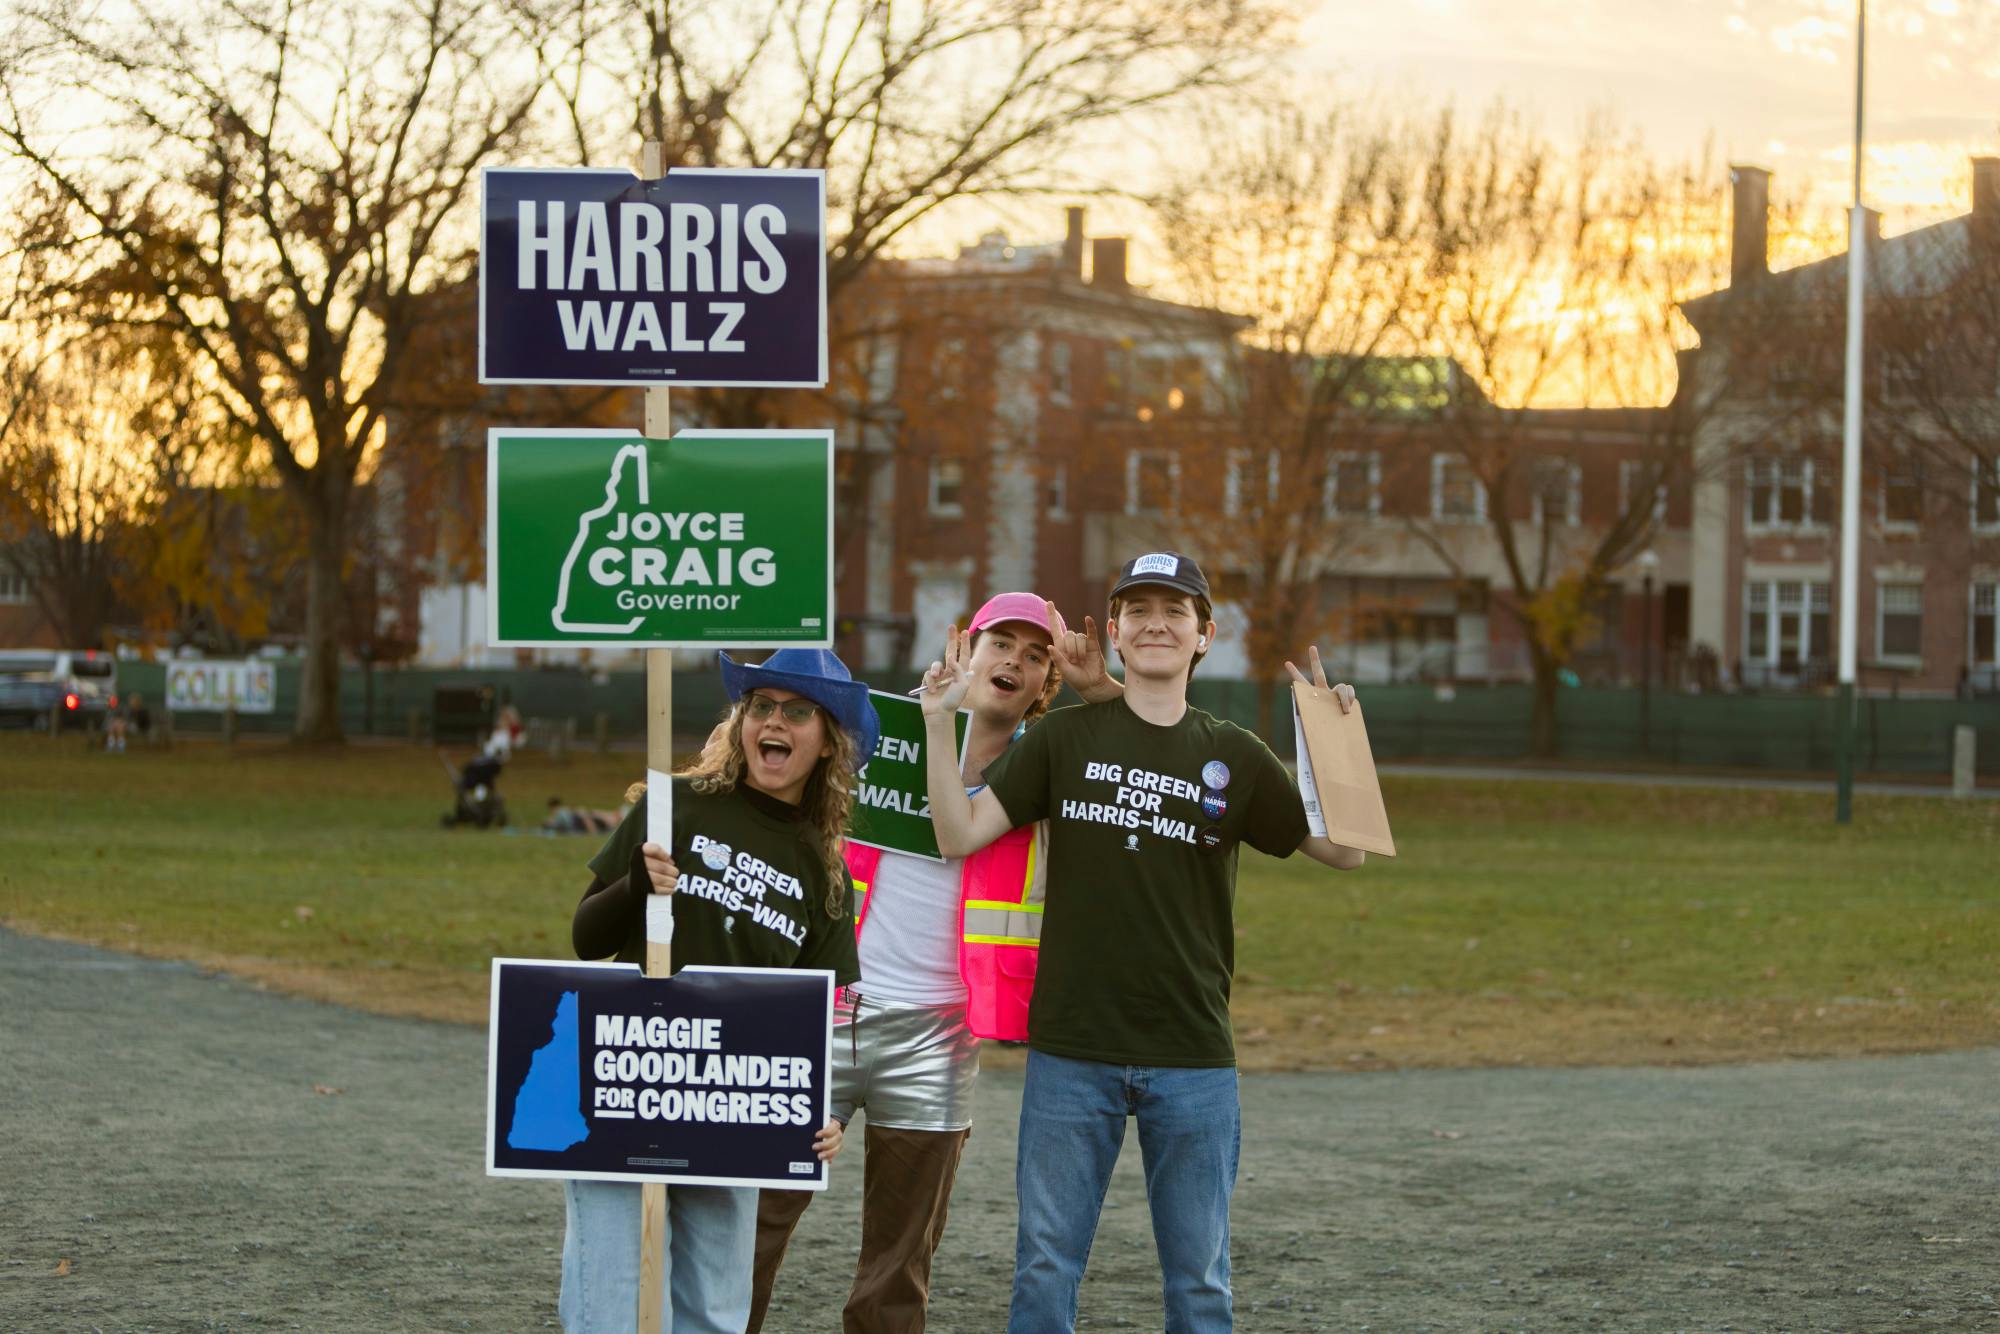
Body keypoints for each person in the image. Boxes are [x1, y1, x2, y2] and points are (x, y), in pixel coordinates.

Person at [920, 551, 1366, 1334]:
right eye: (1138, 609)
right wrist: (932, 721)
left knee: (1199, 1283)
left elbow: (1346, 851)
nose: (1156, 622)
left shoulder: (1233, 753)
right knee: (1045, 1268)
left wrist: (1336, 737)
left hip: (1191, 1053)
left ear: (1205, 635)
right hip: (1072, 1049)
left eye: (1176, 610)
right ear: (1116, 633)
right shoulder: (1062, 737)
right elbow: (958, 834)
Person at [748, 593, 1121, 1334]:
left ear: (1048, 680)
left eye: (1034, 652)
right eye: (999, 643)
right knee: (750, 1218)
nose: (1013, 660)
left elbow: (1141, 758)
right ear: (964, 649)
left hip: (939, 1033)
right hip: (823, 1007)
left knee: (899, 1259)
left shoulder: (1051, 764)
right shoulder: (876, 735)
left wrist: (1104, 692)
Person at [561, 647, 877, 1334]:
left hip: (730, 1107)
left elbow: (815, 1015)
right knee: (608, 1301)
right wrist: (637, 887)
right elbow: (586, 936)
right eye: (761, 706)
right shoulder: (677, 805)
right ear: (741, 722)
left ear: (829, 744)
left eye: (798, 713)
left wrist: (817, 1110)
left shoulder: (826, 875)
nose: (775, 722)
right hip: (627, 1083)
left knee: (712, 1310)